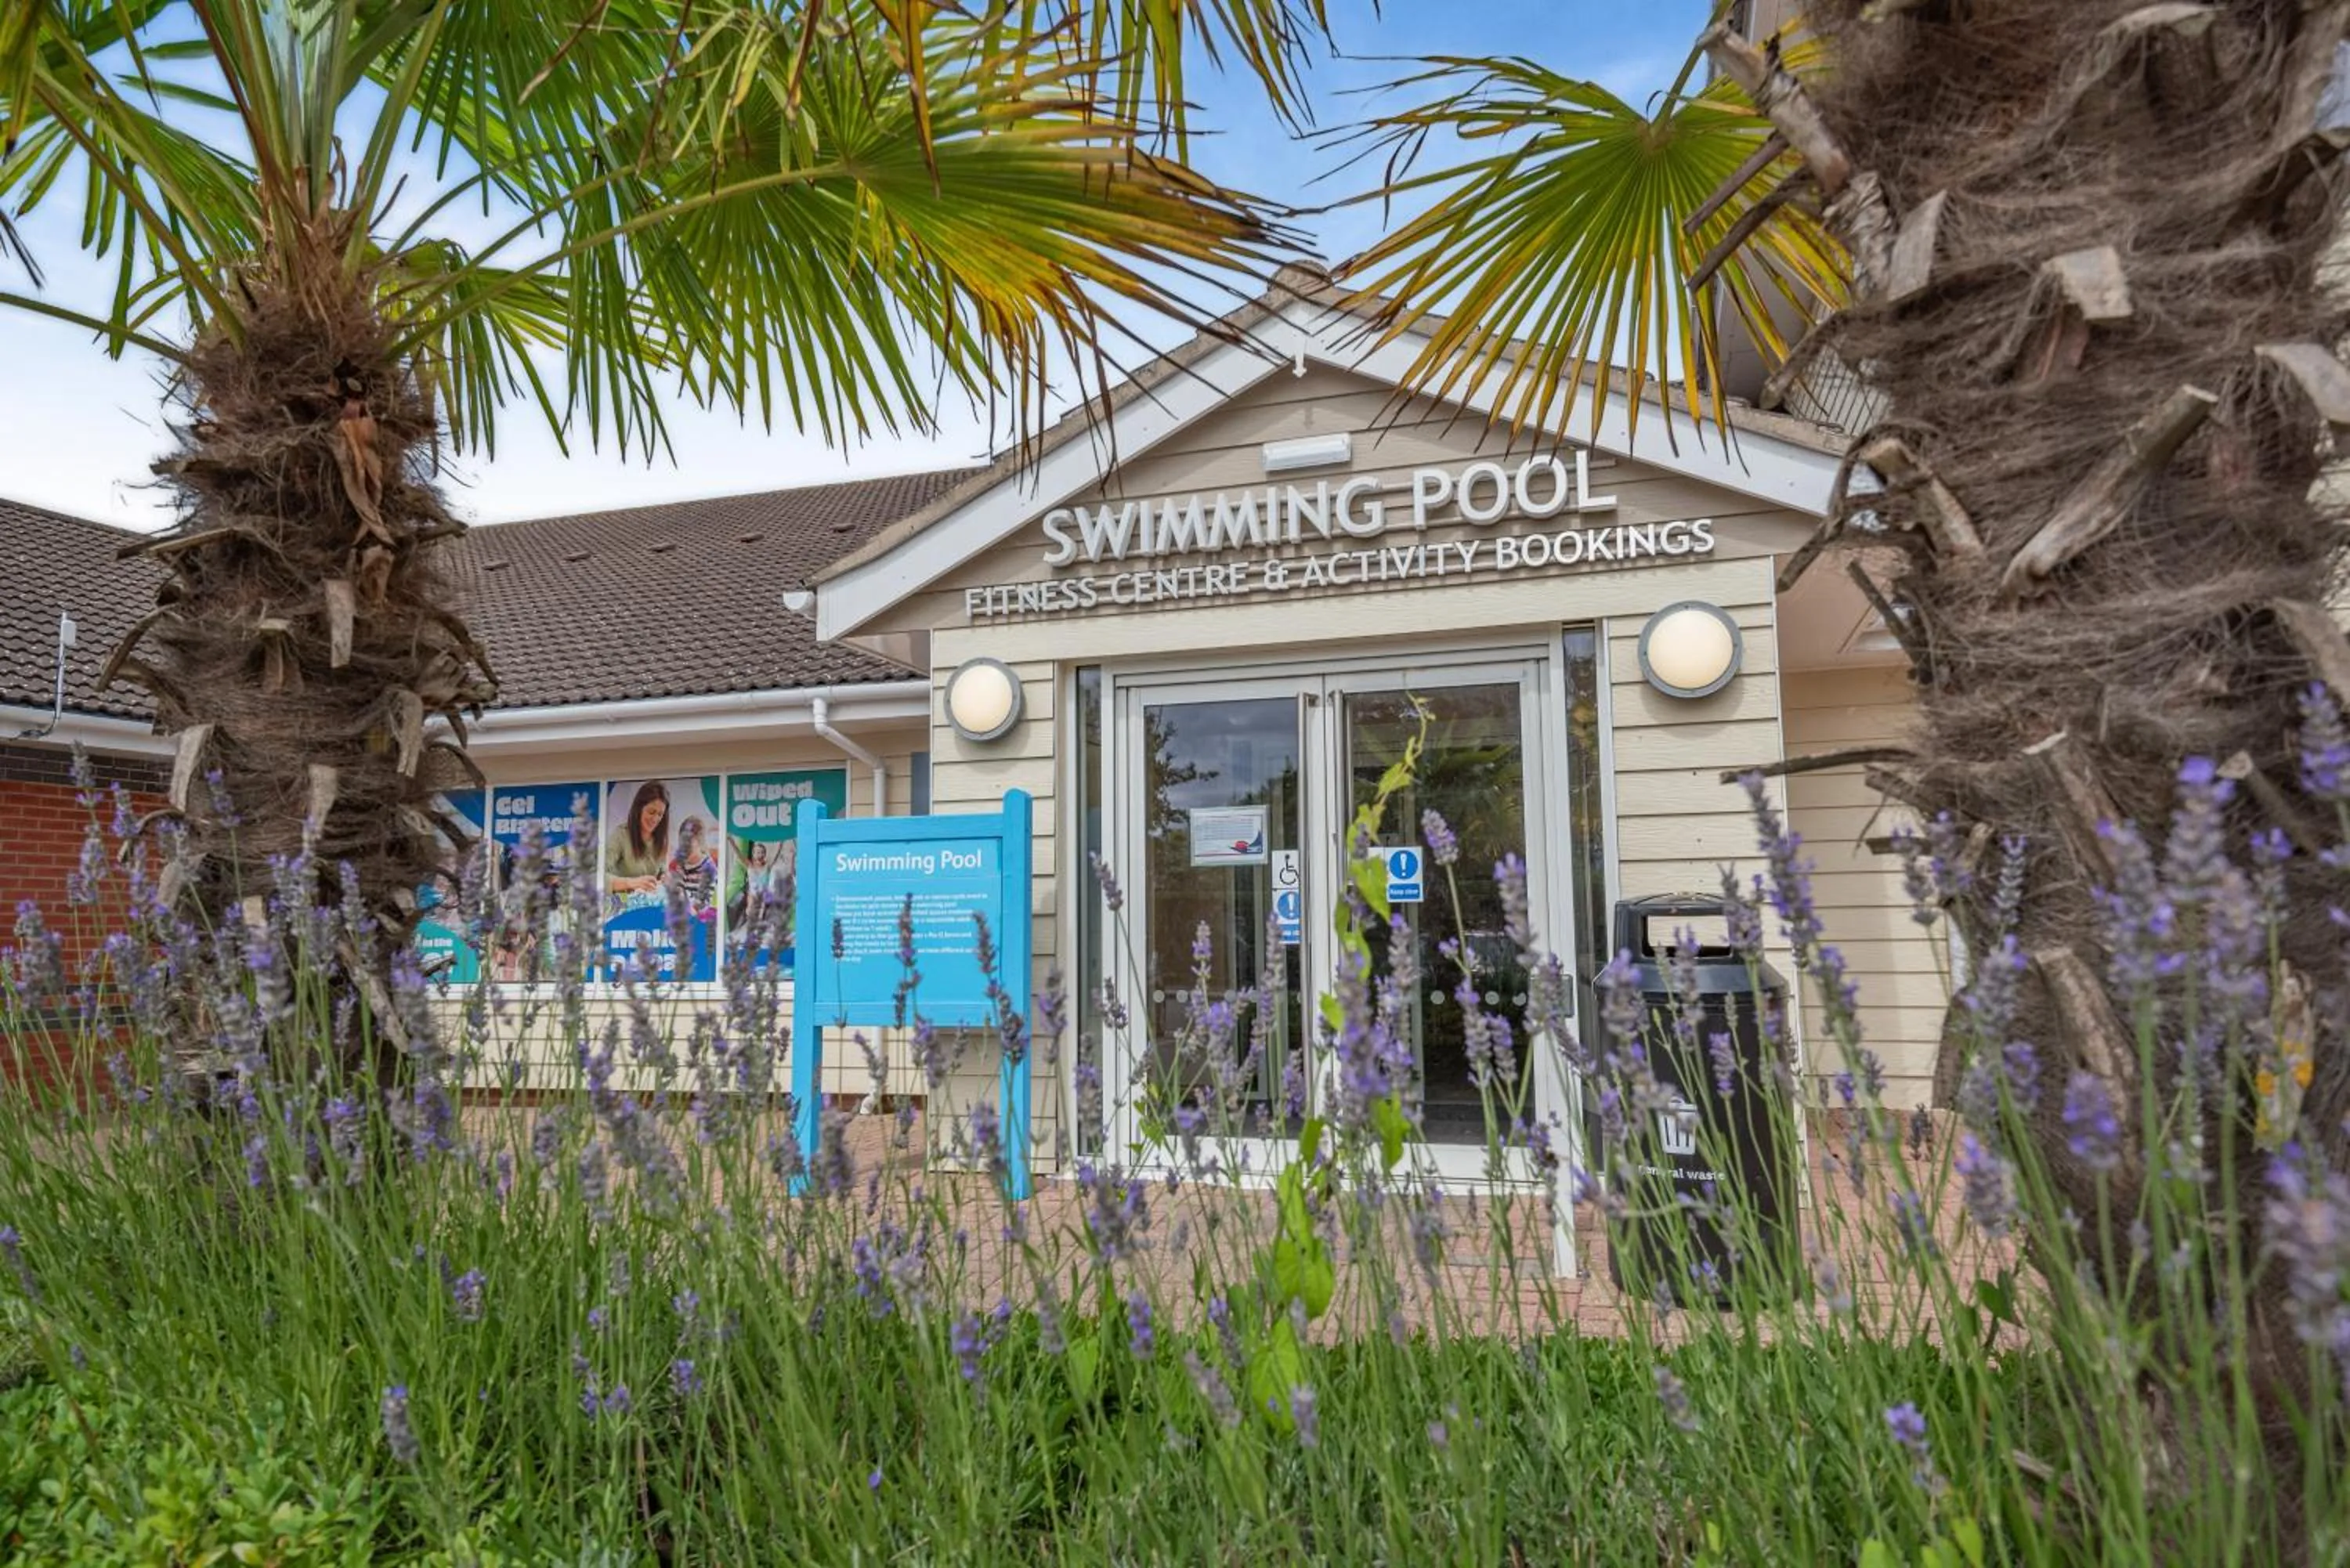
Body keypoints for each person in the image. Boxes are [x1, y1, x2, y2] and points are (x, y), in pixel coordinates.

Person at [606, 781, 670, 902]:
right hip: (623, 909)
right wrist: (632, 883)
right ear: (639, 809)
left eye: (660, 814)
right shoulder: (620, 836)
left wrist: (665, 878)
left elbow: (662, 872)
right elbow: (599, 877)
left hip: (650, 907)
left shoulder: (661, 840)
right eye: (651, 812)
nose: (655, 819)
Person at [667, 815, 719, 913]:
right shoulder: (680, 863)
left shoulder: (709, 868)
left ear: (700, 843)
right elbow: (678, 889)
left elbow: (702, 903)